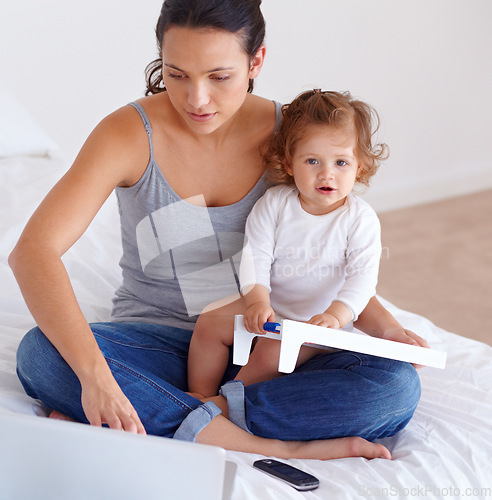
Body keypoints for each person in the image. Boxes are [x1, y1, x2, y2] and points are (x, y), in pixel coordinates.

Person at [10, 0, 427, 461]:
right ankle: (277, 445)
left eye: (219, 76)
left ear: (256, 62)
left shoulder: (295, 140)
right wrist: (95, 379)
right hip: (162, 346)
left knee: (395, 388)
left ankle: (167, 418)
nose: (196, 99)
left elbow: (325, 254)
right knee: (43, 355)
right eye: (177, 74)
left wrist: (387, 329)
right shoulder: (129, 134)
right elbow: (33, 252)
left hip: (270, 344)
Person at [188, 89, 393, 397]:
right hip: (271, 305)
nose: (327, 174)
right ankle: (198, 394)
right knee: (208, 323)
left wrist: (335, 316)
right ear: (288, 164)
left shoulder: (359, 219)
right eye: (312, 160)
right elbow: (256, 257)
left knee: (271, 353)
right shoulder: (274, 204)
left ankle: (223, 405)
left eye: (341, 162)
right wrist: (257, 301)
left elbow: (362, 279)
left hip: (319, 322)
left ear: (359, 167)